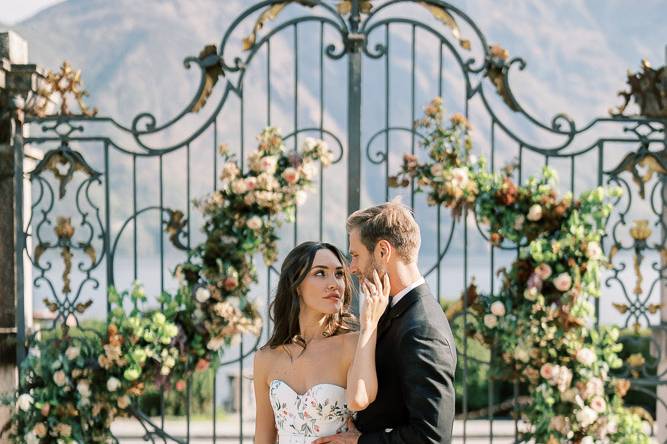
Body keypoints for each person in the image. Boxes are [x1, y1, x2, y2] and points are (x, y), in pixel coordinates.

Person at [314, 200, 457, 444]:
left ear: (382, 251)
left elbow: (432, 437)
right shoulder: (392, 308)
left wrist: (361, 442)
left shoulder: (423, 330)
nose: (352, 267)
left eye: (356, 255)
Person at [253, 241, 390, 444]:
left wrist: (369, 326)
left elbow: (359, 399)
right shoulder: (266, 358)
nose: (334, 283)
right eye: (320, 273)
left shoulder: (353, 344)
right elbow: (263, 437)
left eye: (339, 274)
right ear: (297, 285)